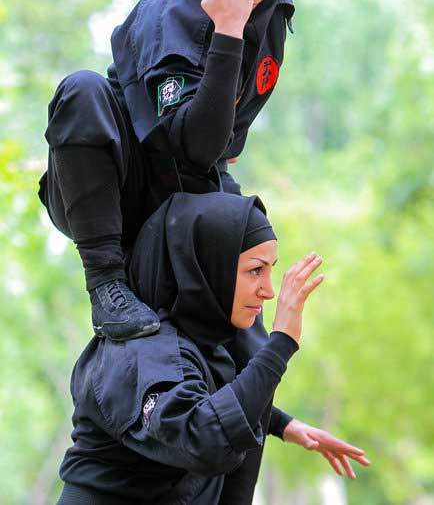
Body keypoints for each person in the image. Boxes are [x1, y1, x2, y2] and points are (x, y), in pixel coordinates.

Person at [38, 0, 296, 341]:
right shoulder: (169, 19)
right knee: (82, 89)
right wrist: (228, 33)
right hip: (111, 183)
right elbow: (196, 147)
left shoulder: (272, 4)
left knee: (245, 235)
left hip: (186, 171)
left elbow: (223, 145)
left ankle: (267, 407)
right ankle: (107, 288)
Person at [56, 193, 370, 505]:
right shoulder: (142, 352)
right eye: (255, 271)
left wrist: (281, 424)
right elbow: (203, 437)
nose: (269, 291)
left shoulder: (199, 343)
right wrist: (281, 342)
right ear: (205, 268)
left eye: (271, 270)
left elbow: (200, 396)